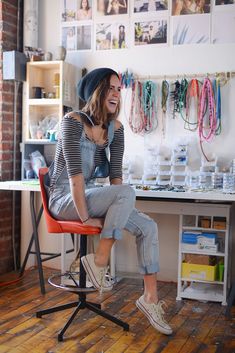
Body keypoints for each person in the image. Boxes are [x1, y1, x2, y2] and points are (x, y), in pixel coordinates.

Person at [47, 68, 173, 336]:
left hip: (90, 194)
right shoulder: (72, 121)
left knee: (148, 226)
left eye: (119, 89)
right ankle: (100, 260)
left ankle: (149, 299)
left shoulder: (116, 129)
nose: (116, 94)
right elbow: (75, 179)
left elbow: (116, 177)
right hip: (64, 198)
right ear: (96, 91)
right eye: (111, 88)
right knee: (126, 192)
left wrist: (123, 207)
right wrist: (84, 217)